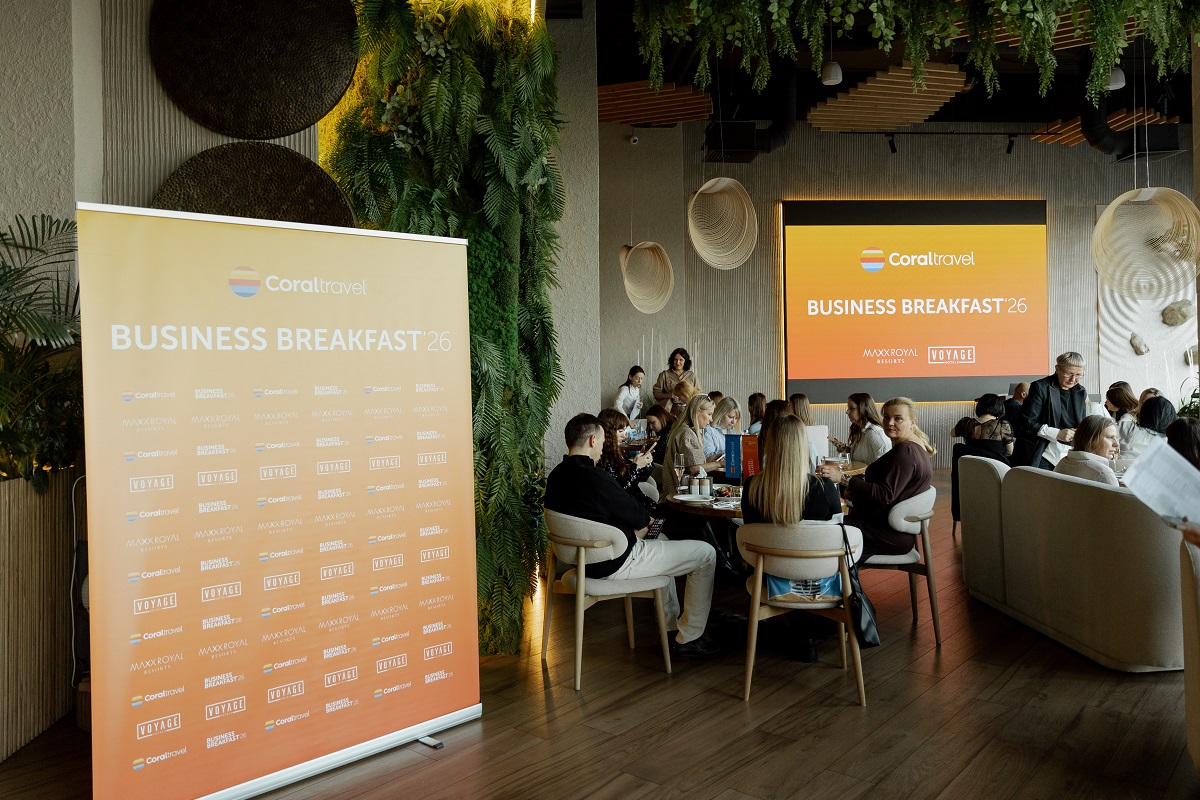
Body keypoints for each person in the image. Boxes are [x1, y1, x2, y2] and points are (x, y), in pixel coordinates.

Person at [544, 414, 720, 659]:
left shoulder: (556, 476)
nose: (603, 446)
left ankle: (670, 628)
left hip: (583, 561)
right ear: (593, 440)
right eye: (602, 441)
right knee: (706, 554)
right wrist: (634, 527)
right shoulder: (596, 478)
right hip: (616, 561)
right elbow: (639, 516)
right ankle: (690, 637)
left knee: (661, 541)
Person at [820, 397, 934, 561]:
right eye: (886, 417)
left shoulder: (905, 451)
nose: (890, 423)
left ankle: (840, 576)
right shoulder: (913, 446)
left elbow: (885, 495)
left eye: (898, 418)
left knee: (821, 532)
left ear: (912, 422)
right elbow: (893, 493)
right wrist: (858, 492)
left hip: (885, 534)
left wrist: (843, 479)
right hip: (889, 530)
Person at [1012, 352, 1088, 470]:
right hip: (1042, 452)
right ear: (1057, 369)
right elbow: (1027, 422)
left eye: (1079, 375)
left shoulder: (1080, 391)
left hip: (1069, 452)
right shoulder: (1040, 387)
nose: (1073, 380)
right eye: (1068, 373)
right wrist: (1057, 433)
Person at [661, 395, 725, 497]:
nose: (711, 419)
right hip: (682, 494)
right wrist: (719, 464)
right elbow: (692, 469)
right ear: (697, 412)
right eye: (709, 414)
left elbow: (692, 463)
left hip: (681, 492)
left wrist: (709, 461)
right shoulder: (687, 433)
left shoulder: (683, 429)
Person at [596, 408, 657, 512]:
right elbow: (622, 492)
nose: (624, 435)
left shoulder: (618, 453)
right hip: (629, 508)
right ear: (608, 432)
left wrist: (646, 462)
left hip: (638, 502)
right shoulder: (604, 458)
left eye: (624, 430)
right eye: (620, 431)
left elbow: (642, 479)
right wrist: (636, 466)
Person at [1053, 415, 1120, 486]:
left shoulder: (1061, 464)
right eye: (1110, 437)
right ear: (1090, 440)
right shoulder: (1103, 473)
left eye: (1116, 438)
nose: (1117, 444)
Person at [829, 393, 891, 465]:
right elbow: (859, 458)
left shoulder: (874, 433)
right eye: (848, 408)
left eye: (852, 408)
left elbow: (887, 463)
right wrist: (844, 449)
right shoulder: (860, 431)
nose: (847, 412)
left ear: (863, 409)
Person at [952, 393, 1014, 458]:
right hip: (994, 463)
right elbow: (1010, 452)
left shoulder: (967, 423)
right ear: (1000, 408)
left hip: (971, 463)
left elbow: (952, 433)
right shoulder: (1002, 425)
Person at [652, 348, 701, 413]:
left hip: (687, 411)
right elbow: (656, 394)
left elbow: (697, 394)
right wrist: (669, 395)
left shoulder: (692, 376)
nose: (678, 362)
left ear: (685, 361)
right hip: (669, 411)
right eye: (675, 359)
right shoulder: (664, 375)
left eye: (681, 360)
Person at [1105, 383, 1140, 457]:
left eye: (1108, 399)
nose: (1105, 402)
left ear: (1116, 399)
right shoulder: (1111, 411)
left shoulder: (1126, 419)